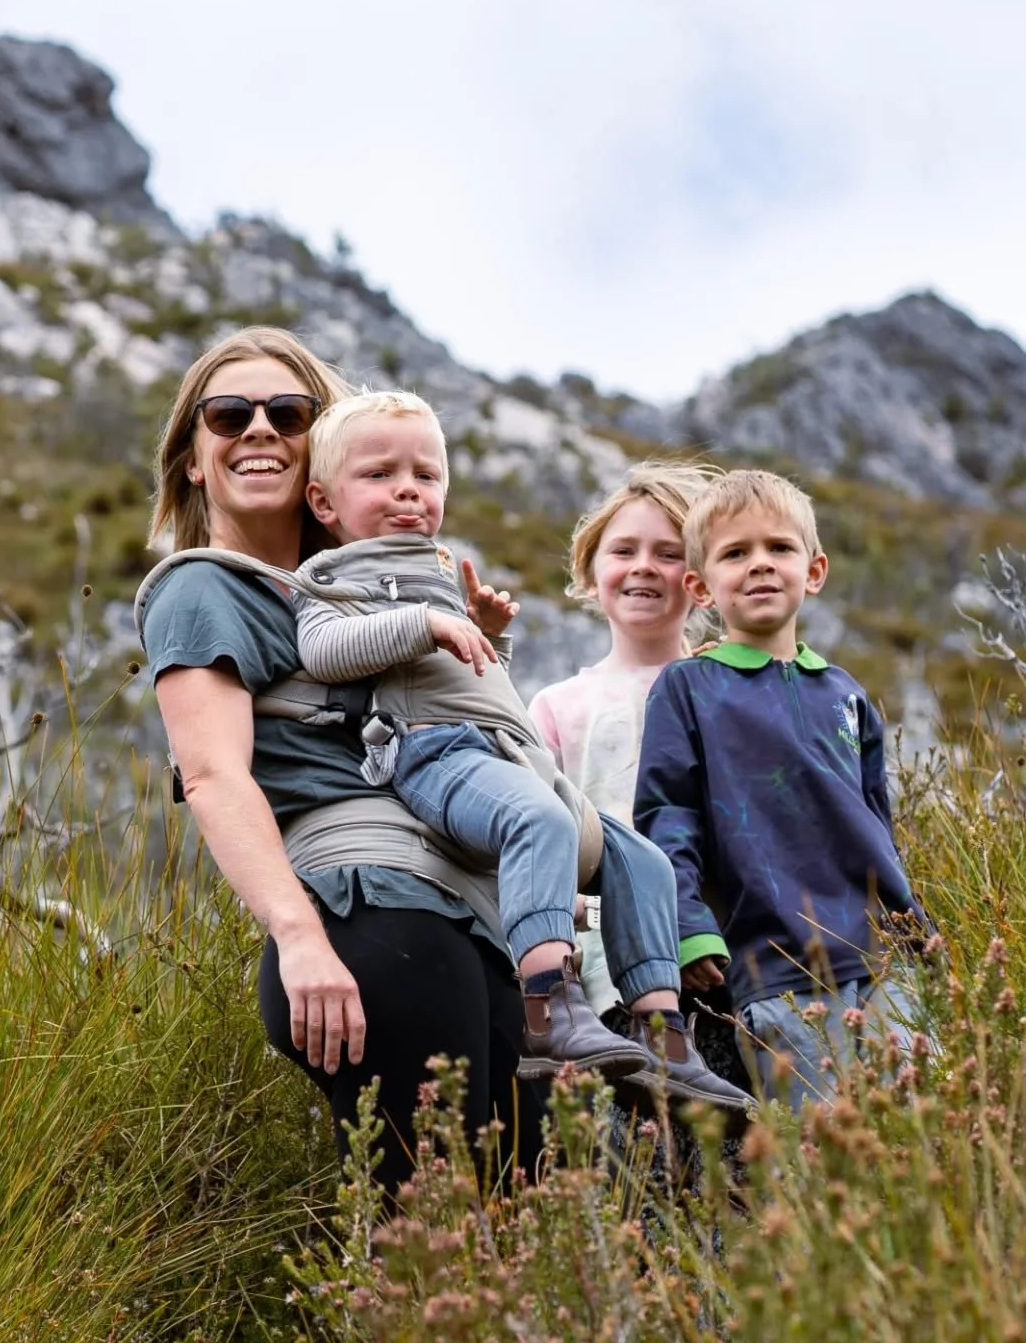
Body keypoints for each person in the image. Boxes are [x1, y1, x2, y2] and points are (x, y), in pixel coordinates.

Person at [137, 329, 551, 1196]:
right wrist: (300, 938)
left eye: (287, 413)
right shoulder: (203, 588)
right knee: (431, 1229)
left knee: (515, 1223)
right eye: (228, 414)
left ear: (321, 463)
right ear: (193, 462)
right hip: (371, 918)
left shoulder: (352, 601)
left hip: (467, 920)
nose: (258, 429)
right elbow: (216, 777)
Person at [295, 389, 749, 1114]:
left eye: (426, 475)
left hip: (495, 749)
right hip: (426, 753)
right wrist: (424, 626)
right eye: (380, 475)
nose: (408, 489)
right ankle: (549, 1007)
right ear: (323, 502)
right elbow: (322, 650)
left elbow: (473, 687)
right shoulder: (334, 577)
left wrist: (481, 634)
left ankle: (665, 1036)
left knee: (642, 861)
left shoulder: (436, 570)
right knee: (538, 821)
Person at [634, 468, 927, 1110]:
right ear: (700, 586)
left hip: (885, 959)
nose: (760, 564)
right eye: (735, 553)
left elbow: (878, 823)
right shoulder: (688, 689)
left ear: (814, 570)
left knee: (911, 1138)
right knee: (819, 1150)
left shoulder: (846, 692)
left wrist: (914, 925)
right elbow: (667, 816)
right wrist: (686, 927)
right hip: (776, 966)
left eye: (778, 548)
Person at [528, 463, 716, 1015]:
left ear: (701, 580)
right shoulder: (557, 707)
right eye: (623, 550)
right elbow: (542, 852)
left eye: (668, 552)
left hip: (728, 962)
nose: (644, 567)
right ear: (590, 573)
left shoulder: (727, 690)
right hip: (610, 979)